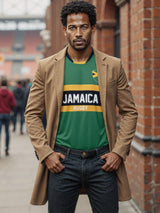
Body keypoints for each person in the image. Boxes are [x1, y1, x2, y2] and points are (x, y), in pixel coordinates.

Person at [25, 1, 138, 213]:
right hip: (61, 162)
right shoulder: (47, 67)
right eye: (72, 27)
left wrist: (119, 152)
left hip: (103, 162)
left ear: (93, 28)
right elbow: (32, 114)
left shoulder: (112, 66)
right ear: (65, 30)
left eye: (83, 27)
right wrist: (46, 153)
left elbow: (130, 112)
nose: (78, 33)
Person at [0, 79, 16, 156]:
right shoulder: (10, 93)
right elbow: (13, 104)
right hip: (7, 114)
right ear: (7, 84)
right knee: (7, 132)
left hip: (0, 114)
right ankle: (6, 149)